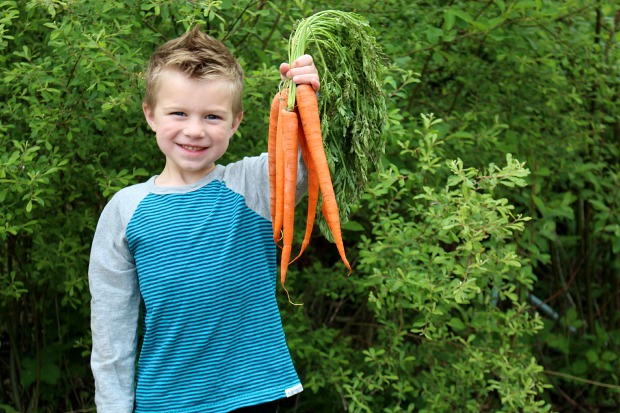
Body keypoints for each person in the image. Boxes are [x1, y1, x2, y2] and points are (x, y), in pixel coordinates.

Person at [88, 25, 320, 413]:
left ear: (236, 122)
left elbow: (314, 162)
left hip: (255, 394)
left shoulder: (252, 186)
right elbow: (112, 329)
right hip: (166, 402)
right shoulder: (125, 210)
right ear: (150, 114)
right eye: (178, 113)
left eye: (213, 116)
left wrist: (311, 96)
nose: (194, 130)